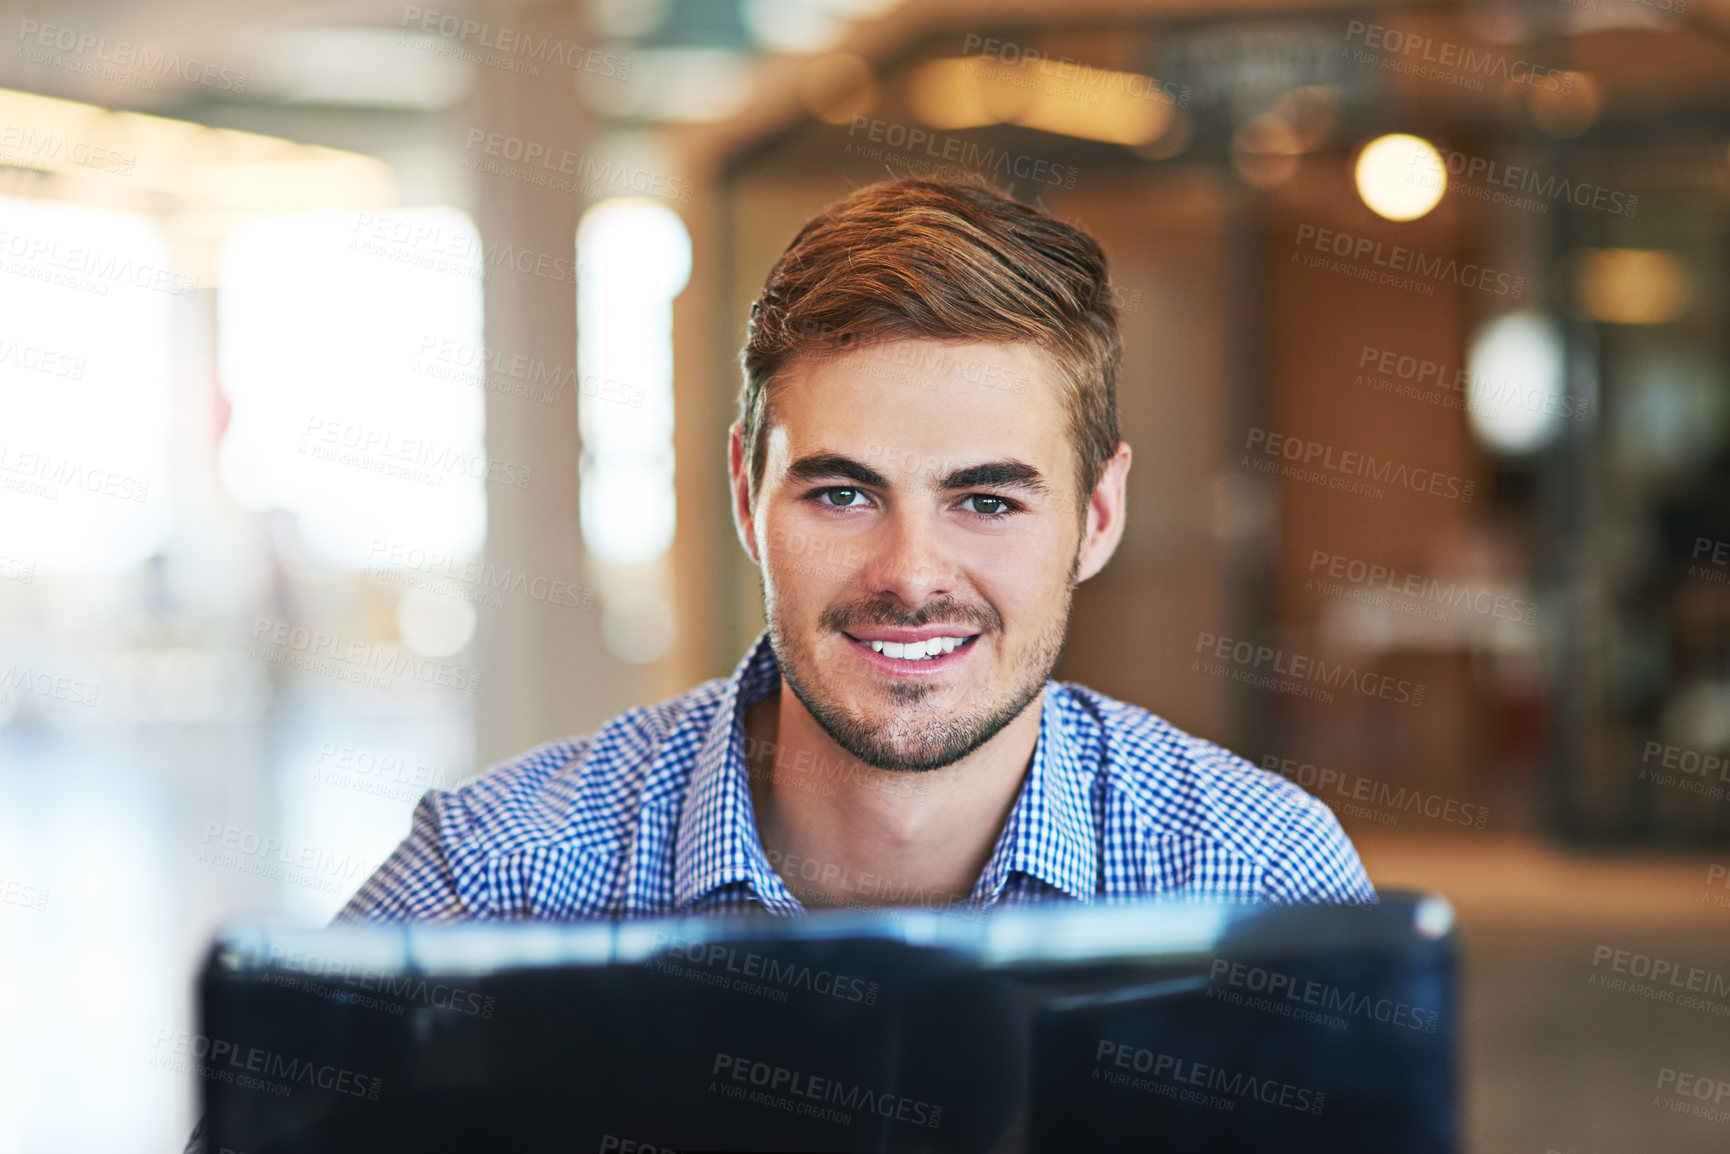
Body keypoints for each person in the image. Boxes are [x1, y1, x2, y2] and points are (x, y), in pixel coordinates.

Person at [339, 177, 1376, 921]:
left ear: (1096, 516)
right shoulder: (495, 877)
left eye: (985, 500)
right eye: (841, 493)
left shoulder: (1258, 880)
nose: (911, 573)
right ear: (747, 496)